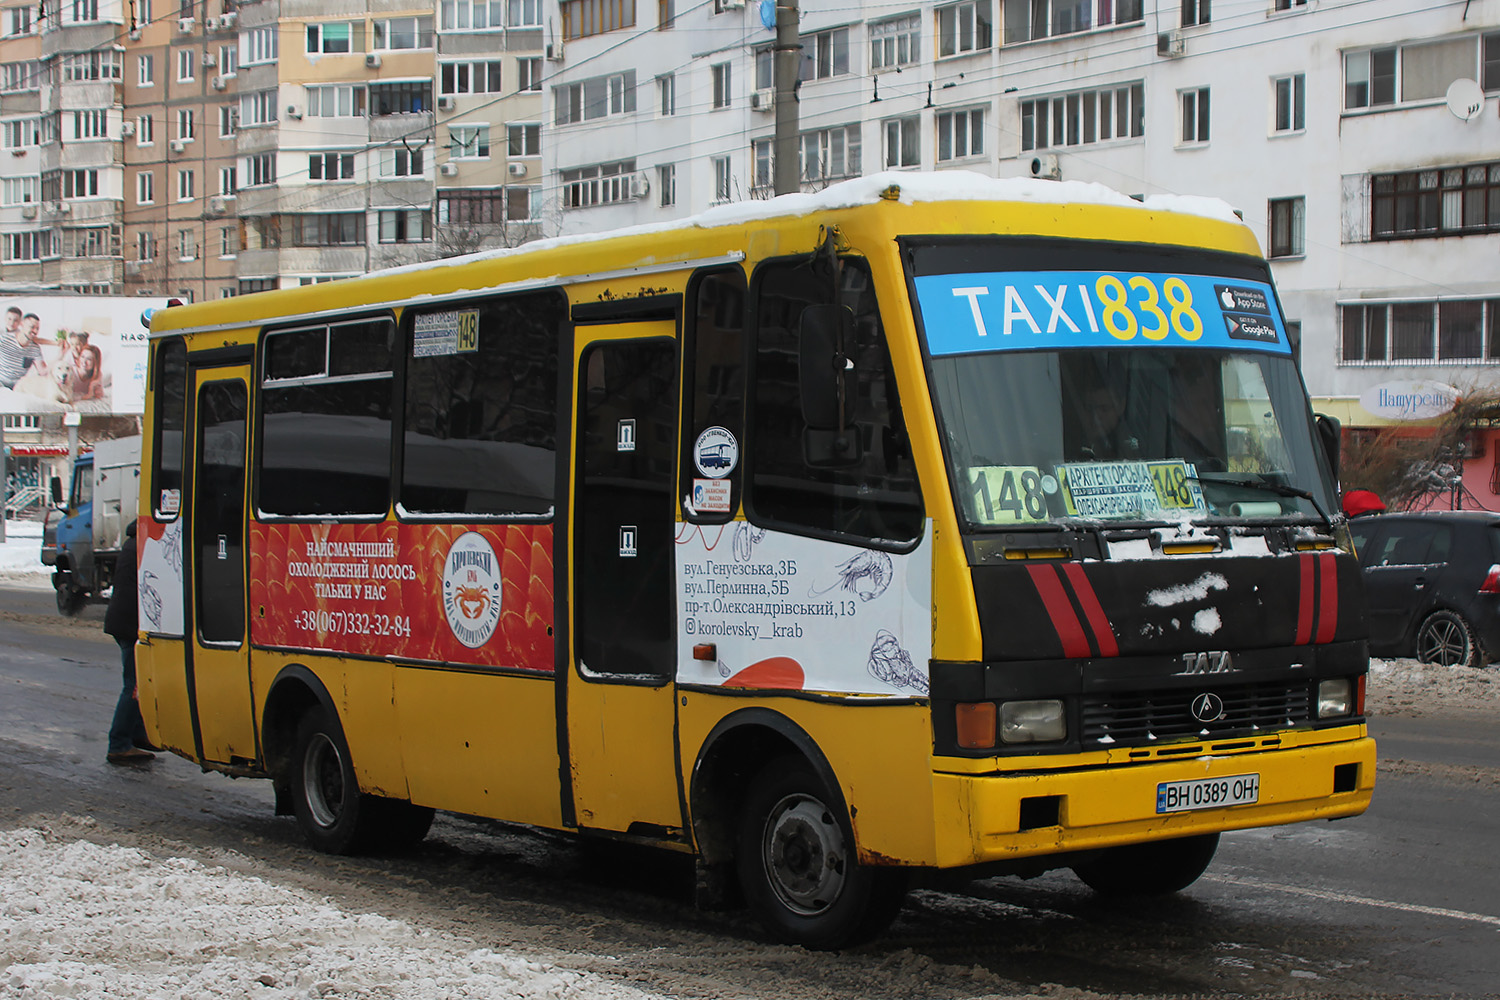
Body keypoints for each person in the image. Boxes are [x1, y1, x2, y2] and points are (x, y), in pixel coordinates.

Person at [105, 520, 154, 764]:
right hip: (130, 624)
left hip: (123, 622)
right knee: (134, 686)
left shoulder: (132, 543)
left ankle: (136, 736)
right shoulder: (144, 545)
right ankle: (119, 744)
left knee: (138, 684)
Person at [0, 306, 43, 389]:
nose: (12, 323)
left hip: (19, 385)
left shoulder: (33, 346)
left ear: (20, 322)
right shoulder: (3, 337)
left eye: (15, 320)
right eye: (9, 319)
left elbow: (36, 339)